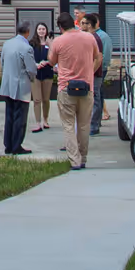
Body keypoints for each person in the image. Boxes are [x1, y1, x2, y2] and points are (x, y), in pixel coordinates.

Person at [47, 12, 99, 170]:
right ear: (74, 23)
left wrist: (50, 45)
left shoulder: (59, 41)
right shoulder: (89, 37)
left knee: (68, 125)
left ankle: (74, 160)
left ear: (60, 27)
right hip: (86, 87)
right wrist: (90, 72)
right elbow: (97, 57)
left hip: (66, 87)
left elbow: (51, 61)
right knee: (84, 125)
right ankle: (83, 158)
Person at [0, 21, 35, 155]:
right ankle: (16, 145)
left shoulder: (7, 44)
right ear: (27, 32)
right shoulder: (26, 47)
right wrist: (32, 76)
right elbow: (31, 69)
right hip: (20, 85)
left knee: (9, 115)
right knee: (20, 117)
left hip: (7, 84)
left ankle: (8, 144)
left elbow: (1, 62)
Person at [83, 13, 111, 136]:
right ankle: (94, 124)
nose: (82, 25)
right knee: (95, 98)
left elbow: (99, 58)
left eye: (85, 23)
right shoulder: (89, 37)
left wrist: (90, 72)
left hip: (96, 73)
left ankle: (93, 126)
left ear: (90, 25)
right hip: (91, 72)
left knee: (95, 98)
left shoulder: (97, 38)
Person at [30, 23, 55, 133]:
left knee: (46, 99)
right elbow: (29, 58)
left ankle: (45, 120)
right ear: (36, 30)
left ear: (46, 30)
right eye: (39, 29)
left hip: (47, 73)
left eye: (43, 29)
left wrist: (47, 61)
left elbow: (55, 57)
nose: (41, 31)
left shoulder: (50, 43)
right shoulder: (32, 44)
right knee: (37, 99)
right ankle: (37, 122)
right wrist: (36, 64)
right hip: (35, 73)